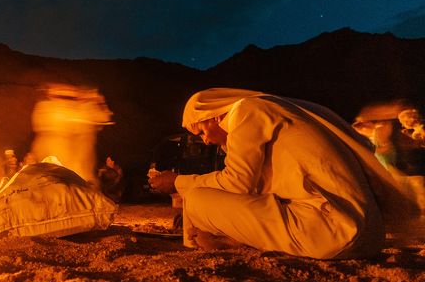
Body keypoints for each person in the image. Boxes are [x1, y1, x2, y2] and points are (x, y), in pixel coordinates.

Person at [149, 88, 418, 259]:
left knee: (197, 198)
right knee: (206, 196)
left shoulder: (247, 111)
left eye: (201, 132)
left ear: (213, 116)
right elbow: (256, 188)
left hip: (332, 230)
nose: (205, 140)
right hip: (366, 237)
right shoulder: (268, 113)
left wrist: (177, 182)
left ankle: (192, 251)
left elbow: (238, 182)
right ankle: (229, 242)